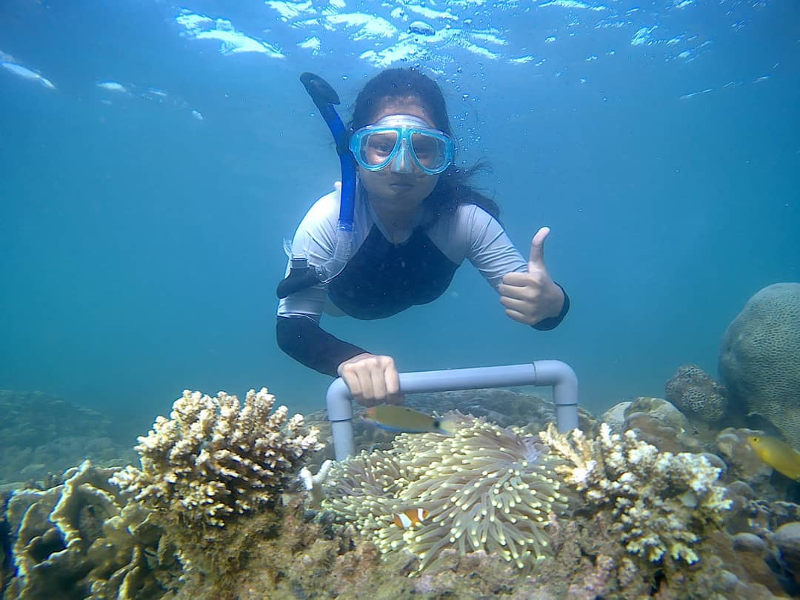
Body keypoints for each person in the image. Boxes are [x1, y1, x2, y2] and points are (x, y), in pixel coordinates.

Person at [276, 68, 569, 407]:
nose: (402, 166)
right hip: (338, 305)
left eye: (423, 149)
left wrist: (552, 303)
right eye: (383, 146)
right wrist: (346, 358)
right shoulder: (329, 219)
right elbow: (292, 328)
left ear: (444, 158)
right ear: (356, 153)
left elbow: (542, 314)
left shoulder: (468, 222)